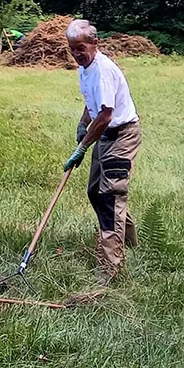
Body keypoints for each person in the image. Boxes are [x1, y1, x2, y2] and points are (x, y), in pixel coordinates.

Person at [62, 18, 141, 281]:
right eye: (72, 48)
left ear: (95, 43)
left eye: (80, 48)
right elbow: (92, 102)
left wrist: (83, 147)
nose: (76, 54)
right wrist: (83, 122)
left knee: (110, 197)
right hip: (104, 135)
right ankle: (129, 241)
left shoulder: (102, 70)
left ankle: (111, 267)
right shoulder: (85, 67)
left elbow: (107, 114)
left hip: (121, 135)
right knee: (95, 192)